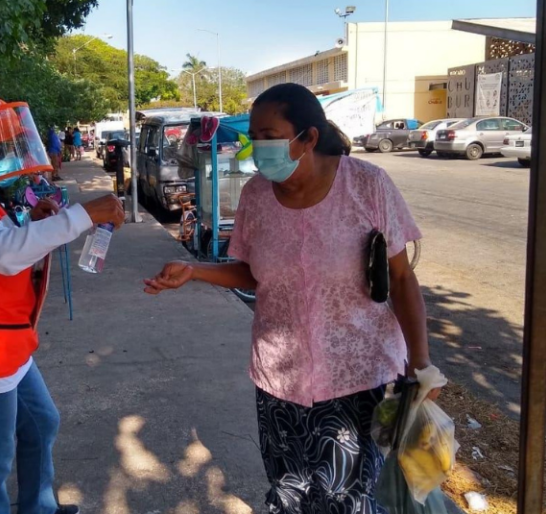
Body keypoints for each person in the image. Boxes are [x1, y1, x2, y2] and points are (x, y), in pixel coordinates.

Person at [144, 83, 439, 514]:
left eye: (269, 136)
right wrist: (195, 272)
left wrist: (421, 362)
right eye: (255, 138)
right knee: (288, 493)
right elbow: (252, 272)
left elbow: (401, 277)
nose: (259, 148)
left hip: (358, 378)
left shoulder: (367, 185)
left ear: (308, 138)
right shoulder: (256, 196)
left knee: (347, 502)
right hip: (279, 380)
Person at [0, 95, 124, 514]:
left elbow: (1, 249)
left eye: (9, 145)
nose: (3, 154)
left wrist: (36, 223)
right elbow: (0, 254)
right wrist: (81, 216)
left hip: (7, 344)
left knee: (41, 424)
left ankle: (40, 508)